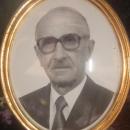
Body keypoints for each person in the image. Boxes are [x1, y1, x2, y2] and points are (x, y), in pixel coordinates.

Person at [20, 7, 114, 130]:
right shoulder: (23, 106)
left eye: (70, 40)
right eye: (48, 42)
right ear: (38, 54)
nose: (59, 56)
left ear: (89, 49)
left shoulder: (112, 104)